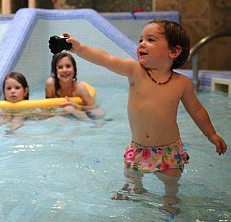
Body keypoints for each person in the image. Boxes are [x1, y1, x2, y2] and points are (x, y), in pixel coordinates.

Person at [64, 19, 227, 213]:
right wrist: (79, 48)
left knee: (171, 179)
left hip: (168, 149)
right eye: (141, 39)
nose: (141, 43)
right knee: (131, 174)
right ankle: (134, 189)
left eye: (150, 39)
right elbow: (106, 58)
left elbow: (197, 110)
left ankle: (170, 200)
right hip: (139, 147)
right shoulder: (135, 72)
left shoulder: (182, 83)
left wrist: (212, 135)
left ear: (174, 52)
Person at [45, 52, 104, 120]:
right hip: (60, 114)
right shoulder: (51, 84)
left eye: (68, 66)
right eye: (60, 67)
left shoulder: (79, 88)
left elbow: (94, 107)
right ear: (55, 71)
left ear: (74, 69)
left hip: (79, 113)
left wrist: (77, 106)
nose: (64, 70)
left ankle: (91, 123)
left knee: (70, 109)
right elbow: (47, 106)